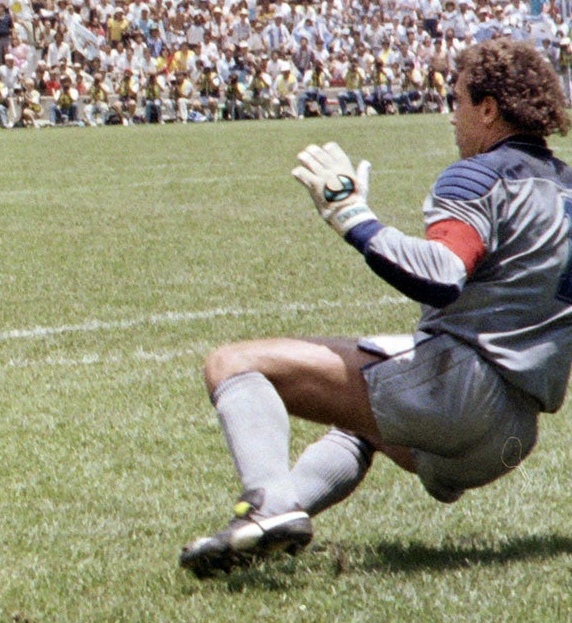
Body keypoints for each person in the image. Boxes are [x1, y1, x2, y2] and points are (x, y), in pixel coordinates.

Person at [181, 38, 572, 577]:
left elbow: (440, 274)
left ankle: (269, 507)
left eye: (456, 100)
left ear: (488, 108)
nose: (449, 116)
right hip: (510, 437)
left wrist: (352, 217)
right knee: (357, 422)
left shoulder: (477, 176)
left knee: (233, 363)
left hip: (458, 398)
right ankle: (271, 523)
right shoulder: (566, 188)